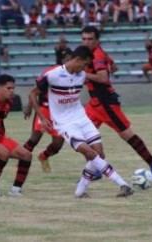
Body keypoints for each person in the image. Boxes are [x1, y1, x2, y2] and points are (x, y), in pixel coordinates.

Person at [29, 45, 134, 198]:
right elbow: (32, 94)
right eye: (85, 64)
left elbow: (103, 77)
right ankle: (122, 184)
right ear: (77, 60)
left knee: (99, 154)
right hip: (64, 123)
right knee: (88, 152)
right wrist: (43, 118)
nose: (86, 68)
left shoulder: (81, 75)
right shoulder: (53, 75)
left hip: (81, 118)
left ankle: (80, 192)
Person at [81, 26, 152, 182]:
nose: (86, 42)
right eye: (84, 39)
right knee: (81, 135)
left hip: (106, 104)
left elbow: (104, 78)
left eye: (90, 39)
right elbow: (114, 67)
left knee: (127, 136)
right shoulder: (97, 54)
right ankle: (97, 168)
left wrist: (84, 74)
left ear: (97, 40)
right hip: (94, 104)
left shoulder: (97, 55)